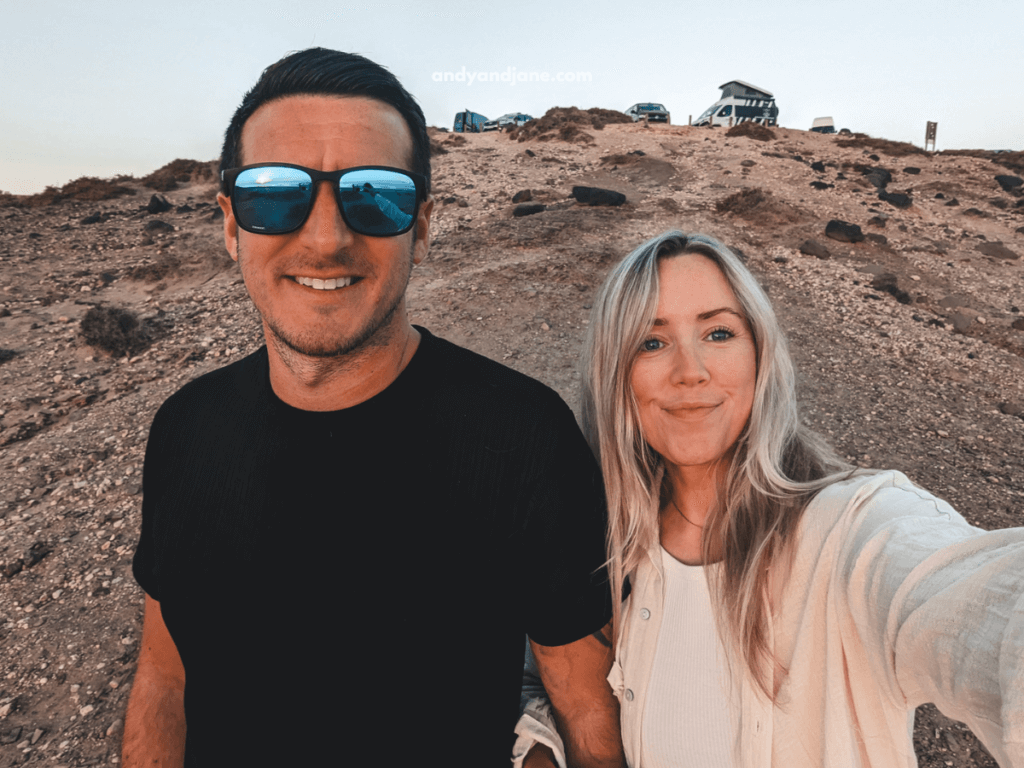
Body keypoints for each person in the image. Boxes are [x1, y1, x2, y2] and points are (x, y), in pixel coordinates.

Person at [122, 48, 623, 768]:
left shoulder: (523, 435)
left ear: (420, 227)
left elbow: (581, 700)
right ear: (231, 224)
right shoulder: (184, 428)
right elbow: (165, 675)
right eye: (273, 194)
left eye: (375, 195)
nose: (326, 239)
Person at [515, 231, 1024, 768]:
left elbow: (969, 603)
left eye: (717, 332)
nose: (691, 371)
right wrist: (540, 753)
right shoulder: (606, 541)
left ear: (760, 355)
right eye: (651, 341)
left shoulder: (849, 528)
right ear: (616, 376)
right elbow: (548, 672)